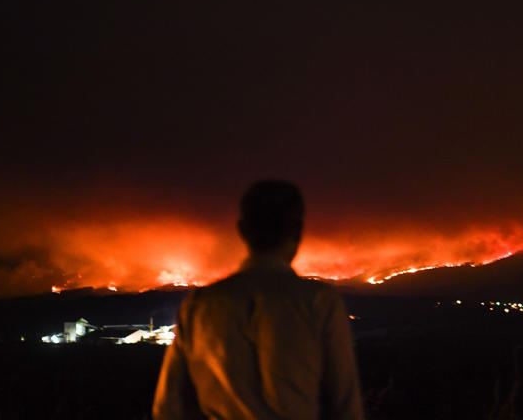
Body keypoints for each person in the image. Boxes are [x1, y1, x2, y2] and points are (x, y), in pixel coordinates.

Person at [152, 180, 364, 420]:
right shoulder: (320, 302)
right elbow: (346, 407)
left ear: (242, 230)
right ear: (297, 230)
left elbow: (168, 408)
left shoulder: (199, 305)